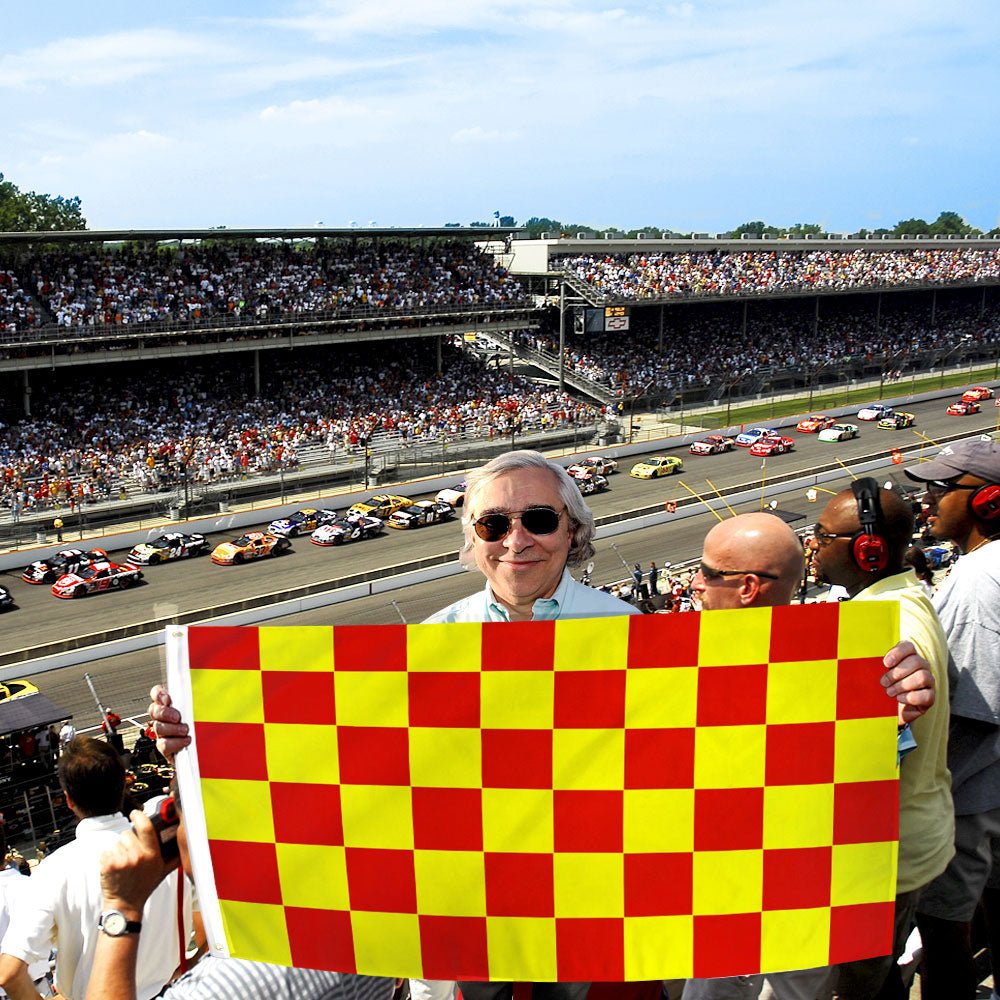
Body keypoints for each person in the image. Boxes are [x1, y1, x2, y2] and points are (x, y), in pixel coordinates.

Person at [682, 511, 940, 1000]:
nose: (696, 583)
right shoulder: (681, 659)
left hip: (791, 898)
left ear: (748, 587)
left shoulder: (856, 665)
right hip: (730, 895)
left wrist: (896, 711)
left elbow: (869, 785)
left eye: (708, 572)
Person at [809, 479, 953, 1000]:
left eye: (822, 536)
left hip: (886, 861)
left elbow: (857, 763)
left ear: (867, 550)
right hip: (914, 836)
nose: (814, 546)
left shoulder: (885, 628)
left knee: (859, 987)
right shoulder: (906, 597)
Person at [86, 784, 397, 1000]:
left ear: (200, 829)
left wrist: (121, 908)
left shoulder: (229, 983)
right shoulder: (365, 908)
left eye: (178, 818)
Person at [903, 438, 1000, 999]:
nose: (930, 500)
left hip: (970, 790)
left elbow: (973, 706)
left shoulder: (974, 580)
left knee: (944, 927)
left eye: (944, 488)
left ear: (987, 501)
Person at [0, 737, 191, 1000]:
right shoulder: (168, 851)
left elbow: (9, 973)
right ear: (123, 784)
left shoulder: (53, 871)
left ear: (68, 800)